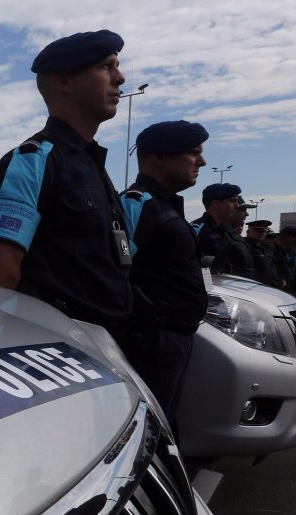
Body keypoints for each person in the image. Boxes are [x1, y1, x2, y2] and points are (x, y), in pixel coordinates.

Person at [0, 30, 132, 346]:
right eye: (106, 67)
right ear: (64, 82)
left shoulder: (91, 164)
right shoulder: (34, 161)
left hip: (107, 347)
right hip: (60, 352)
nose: (120, 78)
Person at [119, 120, 210, 423]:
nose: (202, 161)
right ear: (158, 157)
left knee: (164, 424)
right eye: (193, 152)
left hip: (174, 340)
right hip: (151, 342)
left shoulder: (165, 206)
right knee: (146, 426)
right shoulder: (137, 203)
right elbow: (113, 273)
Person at [192, 184, 254, 278]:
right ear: (215, 203)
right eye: (232, 201)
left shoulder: (223, 230)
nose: (237, 205)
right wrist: (208, 285)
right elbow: (199, 267)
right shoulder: (198, 229)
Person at [244, 220, 277, 287]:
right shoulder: (244, 246)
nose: (262, 233)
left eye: (264, 231)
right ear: (248, 231)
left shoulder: (263, 249)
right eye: (258, 231)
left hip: (265, 287)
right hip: (250, 286)